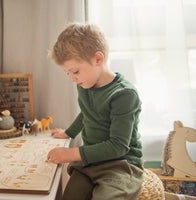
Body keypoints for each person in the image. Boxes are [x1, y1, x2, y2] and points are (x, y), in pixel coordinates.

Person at [47, 23, 144, 200]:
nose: (72, 79)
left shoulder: (124, 94)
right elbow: (86, 113)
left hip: (120, 164)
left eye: (74, 71)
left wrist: (71, 154)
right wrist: (68, 132)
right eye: (67, 73)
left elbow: (118, 146)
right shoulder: (85, 84)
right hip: (90, 162)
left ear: (98, 59)